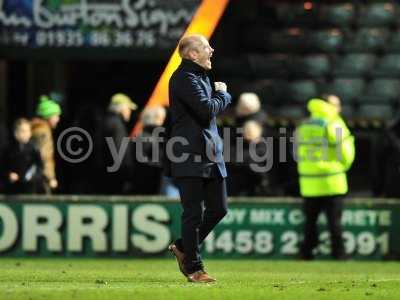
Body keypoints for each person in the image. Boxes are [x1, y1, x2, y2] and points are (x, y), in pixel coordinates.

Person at [167, 34, 231, 283]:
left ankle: (183, 246)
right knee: (193, 213)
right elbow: (205, 111)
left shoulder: (200, 76)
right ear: (192, 54)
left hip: (210, 154)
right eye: (206, 47)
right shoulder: (184, 77)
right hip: (189, 153)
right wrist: (223, 95)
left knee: (219, 209)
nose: (212, 50)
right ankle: (194, 267)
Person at [296, 97, 355, 260]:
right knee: (334, 222)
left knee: (310, 223)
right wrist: (342, 168)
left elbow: (296, 151)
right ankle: (339, 254)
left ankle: (306, 253)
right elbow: (346, 151)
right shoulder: (333, 123)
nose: (339, 108)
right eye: (337, 105)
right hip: (332, 181)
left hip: (309, 183)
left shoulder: (304, 124)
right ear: (329, 106)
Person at [98, 93, 137, 194]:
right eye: (128, 109)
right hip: (116, 178)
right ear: (121, 108)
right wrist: (127, 176)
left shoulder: (106, 121)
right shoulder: (117, 124)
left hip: (106, 175)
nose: (129, 112)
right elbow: (120, 152)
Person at [3, 118, 43, 194]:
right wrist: (9, 174)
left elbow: (39, 167)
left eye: (28, 131)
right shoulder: (9, 149)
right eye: (23, 131)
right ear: (16, 133)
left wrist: (31, 177)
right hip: (12, 190)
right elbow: (3, 166)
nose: (27, 134)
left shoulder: (34, 148)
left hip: (30, 188)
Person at [31, 95, 61, 194]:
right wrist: (50, 177)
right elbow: (45, 155)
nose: (58, 119)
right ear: (48, 116)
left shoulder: (36, 128)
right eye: (56, 116)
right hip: (40, 178)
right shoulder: (43, 132)